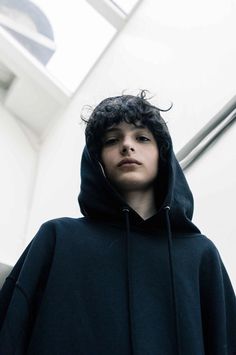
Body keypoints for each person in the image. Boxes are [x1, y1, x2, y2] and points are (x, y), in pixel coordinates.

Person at [0, 90, 235, 354]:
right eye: (112, 140)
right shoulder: (58, 238)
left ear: (163, 155)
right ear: (97, 159)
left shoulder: (200, 256)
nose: (127, 145)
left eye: (142, 137)